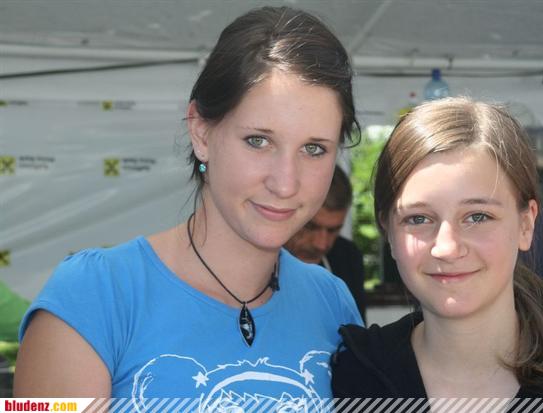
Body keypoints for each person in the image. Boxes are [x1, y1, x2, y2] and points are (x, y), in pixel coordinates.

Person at [14, 6, 363, 405]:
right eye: (258, 141)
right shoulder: (93, 295)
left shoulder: (331, 302)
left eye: (314, 149)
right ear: (201, 132)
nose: (285, 183)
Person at [331, 97, 543, 399]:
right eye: (418, 218)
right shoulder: (352, 377)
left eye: (478, 216)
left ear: (526, 225)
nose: (447, 247)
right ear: (388, 232)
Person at [285, 165, 367, 321]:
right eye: (310, 227)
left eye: (333, 231)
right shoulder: (254, 262)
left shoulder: (347, 257)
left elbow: (357, 333)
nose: (321, 244)